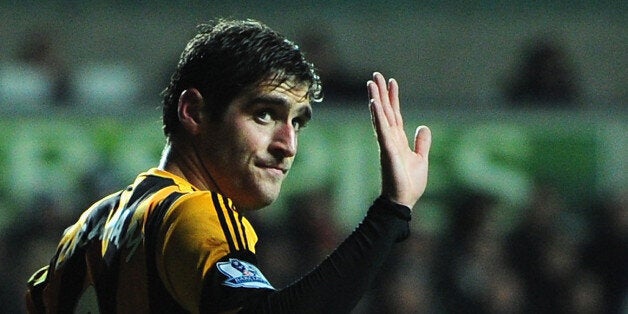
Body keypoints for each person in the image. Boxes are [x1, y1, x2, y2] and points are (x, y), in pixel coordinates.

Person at [25, 19, 432, 313]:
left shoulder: (86, 228)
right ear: (194, 111)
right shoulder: (195, 212)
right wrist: (391, 211)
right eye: (264, 115)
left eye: (297, 122)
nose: (287, 145)